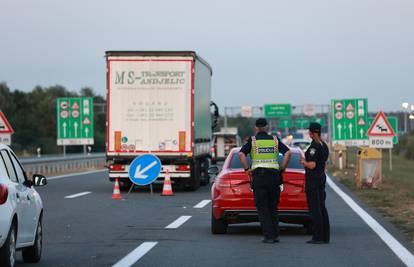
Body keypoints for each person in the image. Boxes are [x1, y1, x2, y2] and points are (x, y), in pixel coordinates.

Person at [239, 118, 291, 243]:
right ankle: (276, 235)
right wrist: (282, 168)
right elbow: (288, 153)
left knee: (263, 207)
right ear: (267, 127)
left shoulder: (252, 141)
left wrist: (247, 169)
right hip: (274, 177)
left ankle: (269, 236)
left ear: (256, 128)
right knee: (273, 207)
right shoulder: (274, 140)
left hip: (259, 177)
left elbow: (241, 154)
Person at [300, 122, 330, 244]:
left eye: (310, 132)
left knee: (315, 208)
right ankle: (325, 236)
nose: (309, 133)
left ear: (313, 133)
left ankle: (317, 237)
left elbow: (312, 165)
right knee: (322, 207)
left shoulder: (313, 147)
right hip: (321, 177)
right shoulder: (324, 145)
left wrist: (303, 162)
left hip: (313, 180)